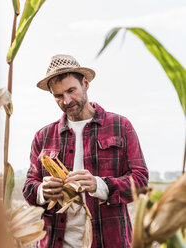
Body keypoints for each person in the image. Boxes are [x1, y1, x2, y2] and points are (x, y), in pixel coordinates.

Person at [23, 54, 148, 248]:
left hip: (109, 241)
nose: (66, 100)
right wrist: (42, 191)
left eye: (71, 90)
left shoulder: (121, 127)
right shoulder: (43, 136)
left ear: (86, 84)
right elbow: (29, 188)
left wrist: (100, 185)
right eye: (58, 96)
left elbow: (140, 181)